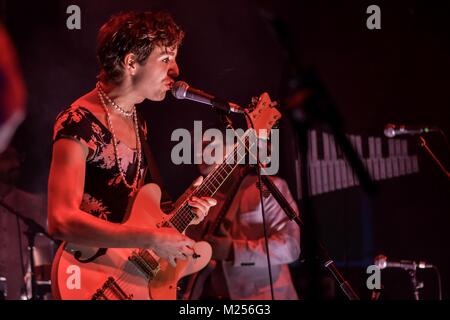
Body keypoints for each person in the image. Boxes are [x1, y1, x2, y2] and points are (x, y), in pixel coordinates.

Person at [47, 11, 216, 269]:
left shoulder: (138, 121)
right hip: (89, 277)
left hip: (122, 273)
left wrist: (182, 216)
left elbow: (129, 217)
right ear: (131, 63)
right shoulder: (78, 122)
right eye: (165, 59)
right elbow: (60, 219)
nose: (176, 70)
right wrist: (152, 239)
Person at [186, 132, 301, 300]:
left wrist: (233, 250)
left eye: (211, 146)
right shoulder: (198, 202)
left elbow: (290, 247)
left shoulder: (268, 189)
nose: (201, 153)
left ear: (233, 151)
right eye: (198, 147)